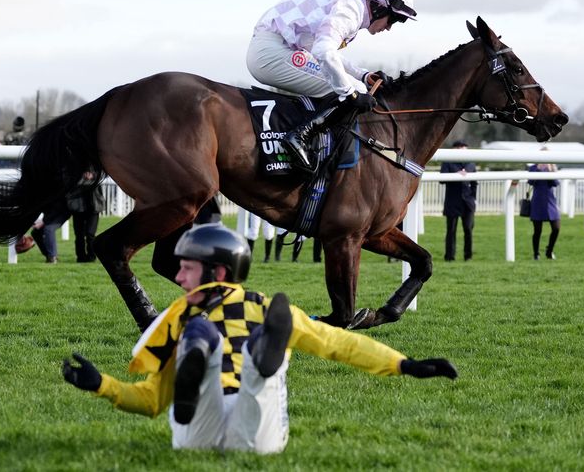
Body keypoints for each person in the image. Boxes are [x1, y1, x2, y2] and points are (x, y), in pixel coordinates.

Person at [62, 224, 456, 454]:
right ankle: (253, 353)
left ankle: (251, 352)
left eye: (186, 269)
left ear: (216, 270)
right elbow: (151, 401)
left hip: (196, 439)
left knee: (222, 340)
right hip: (254, 436)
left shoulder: (178, 318)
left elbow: (342, 345)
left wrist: (401, 364)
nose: (178, 278)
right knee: (241, 352)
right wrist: (101, 385)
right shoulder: (240, 310)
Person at [246, 0, 417, 171]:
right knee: (352, 90)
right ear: (379, 6)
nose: (388, 28)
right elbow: (323, 53)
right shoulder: (350, 11)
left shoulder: (352, 4)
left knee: (354, 85)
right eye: (393, 19)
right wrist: (350, 92)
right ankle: (300, 136)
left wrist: (362, 74)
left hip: (277, 47)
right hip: (271, 52)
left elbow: (325, 53)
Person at [441, 141, 477, 262]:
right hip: (452, 202)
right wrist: (455, 175)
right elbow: (442, 179)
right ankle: (449, 257)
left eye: (465, 148)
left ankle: (468, 256)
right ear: (454, 149)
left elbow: (475, 183)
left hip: (468, 203)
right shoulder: (447, 162)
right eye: (461, 148)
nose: (463, 150)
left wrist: (473, 198)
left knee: (468, 230)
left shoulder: (471, 164)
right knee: (451, 231)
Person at [67, 171, 105, 262]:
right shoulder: (74, 168)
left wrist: (93, 176)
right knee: (79, 235)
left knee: (90, 234)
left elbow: (102, 176)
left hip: (93, 208)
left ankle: (92, 257)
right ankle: (80, 257)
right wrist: (82, 176)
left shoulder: (96, 168)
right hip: (78, 207)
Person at [528, 160, 561, 260]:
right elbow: (531, 182)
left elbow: (555, 183)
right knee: (537, 230)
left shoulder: (552, 167)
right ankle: (536, 254)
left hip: (550, 201)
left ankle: (549, 251)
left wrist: (550, 171)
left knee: (556, 228)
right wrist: (538, 169)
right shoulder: (533, 168)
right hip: (538, 201)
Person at [30, 197, 70, 264]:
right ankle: (48, 255)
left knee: (49, 229)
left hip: (61, 212)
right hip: (50, 213)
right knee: (35, 233)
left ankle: (52, 258)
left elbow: (57, 209)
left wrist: (43, 221)